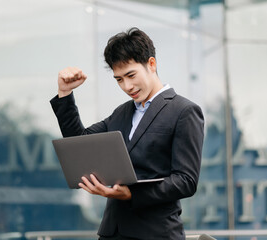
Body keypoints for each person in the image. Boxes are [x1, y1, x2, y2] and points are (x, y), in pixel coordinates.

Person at [50, 27, 204, 240]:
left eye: (131, 75)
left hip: (156, 234)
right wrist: (65, 93)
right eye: (119, 79)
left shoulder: (184, 111)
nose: (127, 86)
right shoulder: (122, 112)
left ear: (151, 64)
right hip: (112, 233)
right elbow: (80, 145)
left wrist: (132, 194)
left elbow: (185, 180)